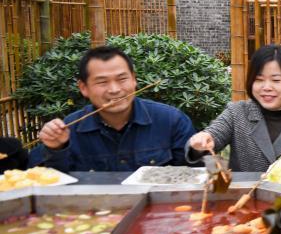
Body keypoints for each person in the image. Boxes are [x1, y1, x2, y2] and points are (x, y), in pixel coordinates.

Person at [30, 46, 195, 172]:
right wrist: (56, 148)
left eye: (122, 79)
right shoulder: (69, 129)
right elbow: (50, 183)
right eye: (102, 82)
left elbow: (196, 174)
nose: (114, 89)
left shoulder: (171, 120)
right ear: (84, 88)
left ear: (134, 80)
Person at [187, 44, 281, 172]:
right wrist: (201, 142)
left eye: (276, 80)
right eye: (259, 80)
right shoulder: (237, 113)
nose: (266, 87)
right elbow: (214, 135)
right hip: (242, 197)